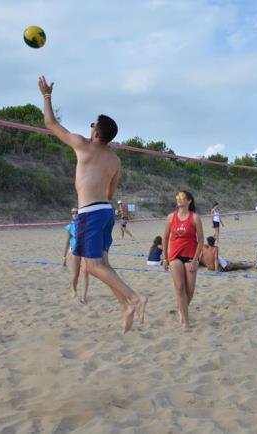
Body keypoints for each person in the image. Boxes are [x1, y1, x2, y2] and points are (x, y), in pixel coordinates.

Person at [39, 75, 147, 333]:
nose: (89, 128)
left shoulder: (83, 146)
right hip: (106, 212)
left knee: (93, 266)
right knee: (104, 265)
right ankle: (125, 307)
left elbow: (50, 123)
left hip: (90, 213)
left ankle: (134, 298)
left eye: (92, 125)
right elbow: (111, 192)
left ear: (96, 132)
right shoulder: (114, 160)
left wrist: (46, 95)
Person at [162, 191, 204, 329]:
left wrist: (195, 260)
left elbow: (201, 240)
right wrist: (165, 258)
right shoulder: (170, 217)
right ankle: (185, 321)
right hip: (175, 256)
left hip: (191, 256)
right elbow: (165, 238)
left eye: (182, 197)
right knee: (179, 287)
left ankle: (182, 309)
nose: (179, 199)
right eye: (177, 197)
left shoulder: (195, 218)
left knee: (190, 290)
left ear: (189, 201)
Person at [62, 207, 89, 304]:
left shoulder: (85, 225)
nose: (75, 214)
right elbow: (67, 242)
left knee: (85, 272)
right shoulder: (70, 227)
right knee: (75, 275)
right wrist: (64, 257)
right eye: (73, 212)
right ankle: (74, 289)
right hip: (74, 251)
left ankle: (84, 297)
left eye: (77, 212)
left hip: (85, 250)